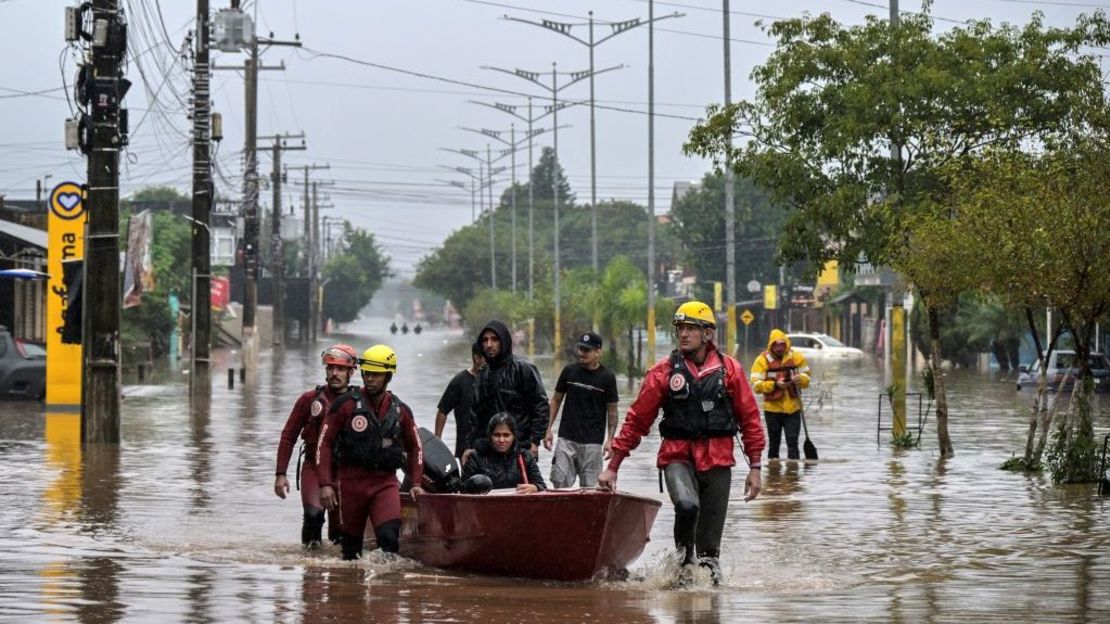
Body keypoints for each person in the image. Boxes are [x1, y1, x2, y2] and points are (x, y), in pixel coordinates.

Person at [598, 301, 765, 585]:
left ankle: (708, 598)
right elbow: (637, 421)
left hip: (718, 461)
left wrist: (756, 467)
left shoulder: (730, 371)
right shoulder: (662, 373)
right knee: (687, 506)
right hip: (677, 457)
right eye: (680, 329)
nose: (684, 334)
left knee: (711, 552)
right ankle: (683, 567)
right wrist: (613, 466)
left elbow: (750, 419)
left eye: (691, 328)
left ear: (708, 334)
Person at [317, 345, 425, 560]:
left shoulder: (400, 411)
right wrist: (326, 484)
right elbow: (324, 443)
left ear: (388, 376)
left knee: (389, 540)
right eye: (367, 373)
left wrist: (416, 483)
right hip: (351, 484)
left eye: (376, 374)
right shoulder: (345, 405)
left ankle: (386, 591)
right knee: (350, 552)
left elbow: (416, 447)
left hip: (384, 484)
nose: (370, 379)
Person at [274, 344, 358, 548]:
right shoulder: (309, 400)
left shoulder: (360, 402)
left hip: (347, 470)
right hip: (314, 467)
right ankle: (311, 573)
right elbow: (288, 436)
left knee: (342, 533)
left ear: (351, 372)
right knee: (313, 517)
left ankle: (340, 577)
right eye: (330, 368)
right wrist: (280, 474)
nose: (334, 373)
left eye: (340, 369)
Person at [543, 331, 619, 488]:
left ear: (598, 352)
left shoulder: (607, 377)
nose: (582, 353)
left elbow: (612, 410)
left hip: (593, 444)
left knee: (591, 490)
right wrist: (548, 428)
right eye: (580, 349)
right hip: (566, 439)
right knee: (559, 482)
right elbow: (556, 400)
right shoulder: (569, 371)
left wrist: (610, 439)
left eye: (587, 350)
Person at [465, 320, 549, 461]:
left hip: (521, 445)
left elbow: (540, 406)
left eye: (494, 339)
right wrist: (468, 446)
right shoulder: (482, 374)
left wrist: (535, 441)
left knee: (525, 483)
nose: (489, 345)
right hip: (488, 449)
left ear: (503, 341)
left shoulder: (523, 369)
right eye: (485, 340)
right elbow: (475, 414)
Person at [750, 329, 811, 461]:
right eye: (776, 345)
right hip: (772, 410)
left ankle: (793, 476)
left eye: (782, 345)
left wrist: (800, 379)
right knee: (774, 445)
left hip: (793, 409)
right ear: (771, 345)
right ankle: (773, 475)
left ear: (786, 344)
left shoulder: (796, 357)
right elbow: (756, 386)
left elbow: (807, 378)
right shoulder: (762, 360)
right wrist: (775, 385)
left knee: (793, 443)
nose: (779, 348)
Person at [461, 413, 546, 494]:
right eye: (497, 435)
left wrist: (535, 488)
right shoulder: (476, 457)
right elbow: (463, 490)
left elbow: (542, 486)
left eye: (506, 435)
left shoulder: (525, 456)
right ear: (490, 436)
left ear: (513, 436)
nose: (501, 440)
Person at [434, 341, 484, 459]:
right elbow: (443, 410)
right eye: (486, 357)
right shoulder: (460, 381)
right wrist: (437, 440)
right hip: (465, 446)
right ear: (476, 358)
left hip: (488, 445)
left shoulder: (493, 380)